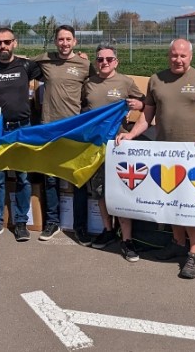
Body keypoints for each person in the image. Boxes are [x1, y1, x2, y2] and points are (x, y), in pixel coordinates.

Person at [116, 38, 195, 279]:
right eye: (174, 55)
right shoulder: (156, 80)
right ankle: (178, 244)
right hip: (164, 153)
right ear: (169, 56)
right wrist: (132, 135)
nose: (178, 60)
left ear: (191, 57)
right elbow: (147, 115)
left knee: (189, 203)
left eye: (183, 56)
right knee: (170, 199)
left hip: (193, 153)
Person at [0, 27, 43, 242]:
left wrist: (80, 57)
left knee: (22, 177)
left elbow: (53, 65)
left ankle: (21, 222)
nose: (2, 46)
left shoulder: (26, 65)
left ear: (15, 43)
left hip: (22, 128)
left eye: (6, 42)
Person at [80, 44, 144, 261]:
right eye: (100, 59)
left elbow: (146, 104)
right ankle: (108, 230)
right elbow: (81, 112)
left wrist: (139, 104)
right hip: (96, 146)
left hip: (119, 146)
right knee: (99, 191)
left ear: (116, 61)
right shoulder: (88, 84)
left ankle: (127, 240)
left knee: (122, 192)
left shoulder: (125, 82)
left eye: (109, 59)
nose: (104, 62)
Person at [32, 25, 92, 243]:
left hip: (75, 129)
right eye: (60, 39)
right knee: (50, 178)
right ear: (55, 42)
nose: (64, 43)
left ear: (75, 41)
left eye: (68, 39)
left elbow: (98, 88)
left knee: (78, 179)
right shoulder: (46, 60)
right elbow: (21, 62)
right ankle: (52, 223)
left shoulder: (85, 64)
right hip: (49, 128)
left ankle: (80, 227)